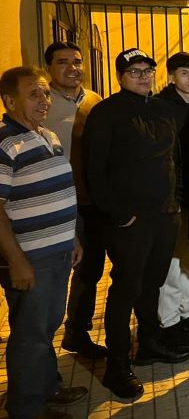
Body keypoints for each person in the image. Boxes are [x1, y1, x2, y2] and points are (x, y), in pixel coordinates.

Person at [83, 49, 189, 402]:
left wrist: (174, 202)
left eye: (148, 70)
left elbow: (172, 159)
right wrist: (119, 214)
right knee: (126, 288)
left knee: (152, 285)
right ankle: (117, 365)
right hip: (130, 221)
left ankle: (148, 344)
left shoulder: (161, 110)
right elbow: (94, 172)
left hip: (164, 216)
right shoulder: (106, 113)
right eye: (135, 71)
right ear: (120, 75)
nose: (143, 76)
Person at [0, 67, 86, 419]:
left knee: (47, 325)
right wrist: (17, 262)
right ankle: (26, 408)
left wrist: (73, 237)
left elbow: (57, 192)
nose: (44, 100)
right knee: (30, 334)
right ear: (9, 100)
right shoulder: (6, 144)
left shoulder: (47, 135)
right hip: (31, 259)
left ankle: (48, 386)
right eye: (34, 94)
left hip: (59, 251)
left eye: (46, 93)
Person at [41, 42, 105, 360]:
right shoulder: (41, 103)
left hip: (91, 201)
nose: (72, 67)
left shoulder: (94, 101)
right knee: (56, 275)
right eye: (62, 61)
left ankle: (77, 333)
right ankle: (42, 351)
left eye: (77, 61)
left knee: (89, 271)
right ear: (48, 68)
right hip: (55, 203)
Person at [155, 52, 189, 354]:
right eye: (185, 72)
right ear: (172, 75)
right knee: (172, 264)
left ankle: (188, 315)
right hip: (173, 195)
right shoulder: (161, 107)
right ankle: (169, 323)